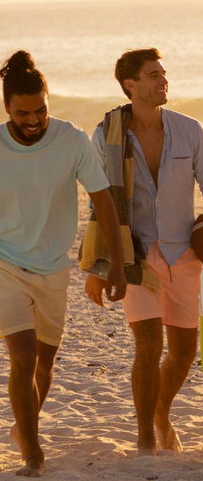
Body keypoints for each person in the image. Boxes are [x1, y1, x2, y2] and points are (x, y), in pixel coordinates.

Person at [86, 48, 203, 455]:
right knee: (148, 344)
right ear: (130, 85)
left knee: (184, 352)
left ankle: (161, 412)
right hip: (135, 254)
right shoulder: (107, 134)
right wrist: (97, 266)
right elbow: (100, 202)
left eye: (163, 73)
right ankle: (143, 437)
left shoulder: (189, 130)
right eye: (152, 75)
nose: (162, 80)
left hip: (183, 254)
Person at [1, 50, 128, 477]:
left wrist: (117, 263)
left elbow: (104, 201)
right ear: (7, 108)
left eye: (40, 110)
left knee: (44, 361)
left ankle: (26, 430)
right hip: (4, 264)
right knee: (20, 355)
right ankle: (34, 456)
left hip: (53, 267)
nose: (33, 120)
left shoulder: (72, 141)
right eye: (23, 113)